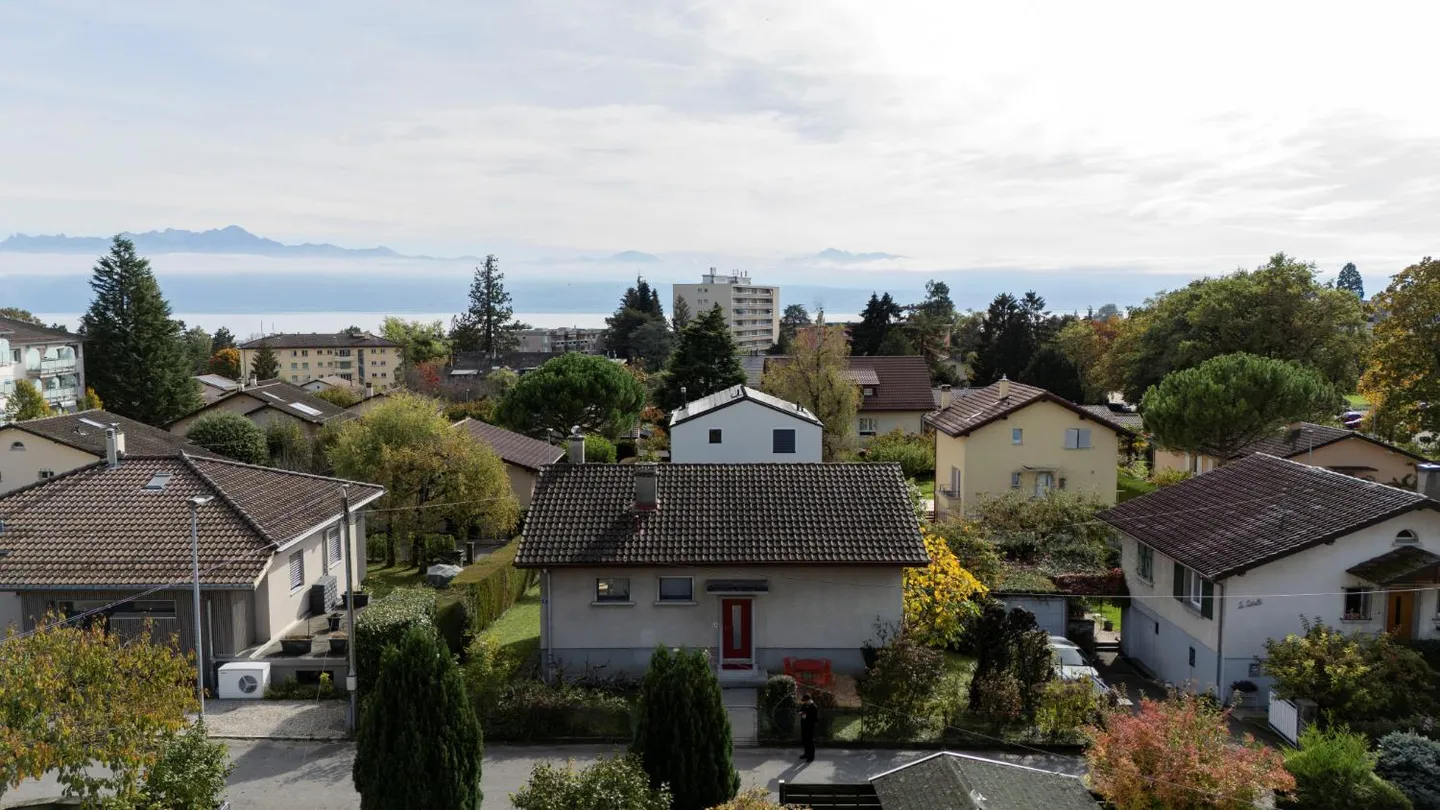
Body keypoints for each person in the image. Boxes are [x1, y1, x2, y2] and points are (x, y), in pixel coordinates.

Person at [798, 692, 818, 762]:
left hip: (810, 727)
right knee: (805, 740)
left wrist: (805, 716)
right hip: (804, 725)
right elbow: (800, 711)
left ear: (809, 700)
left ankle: (811, 756)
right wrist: (801, 713)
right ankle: (806, 754)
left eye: (806, 701)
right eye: (804, 701)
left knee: (810, 741)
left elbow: (814, 718)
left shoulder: (814, 707)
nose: (805, 702)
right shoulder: (804, 705)